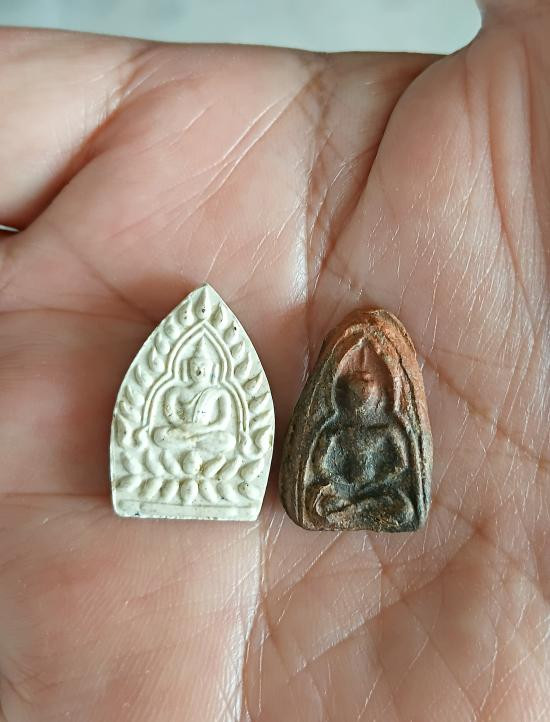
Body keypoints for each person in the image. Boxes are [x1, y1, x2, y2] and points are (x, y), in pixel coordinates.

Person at [0, 2, 548, 720]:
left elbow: (383, 480)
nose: (359, 401)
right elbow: (280, 458)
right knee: (218, 460)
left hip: (363, 503)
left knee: (363, 501)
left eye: (367, 394)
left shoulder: (386, 430)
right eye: (353, 394)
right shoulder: (322, 422)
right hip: (212, 470)